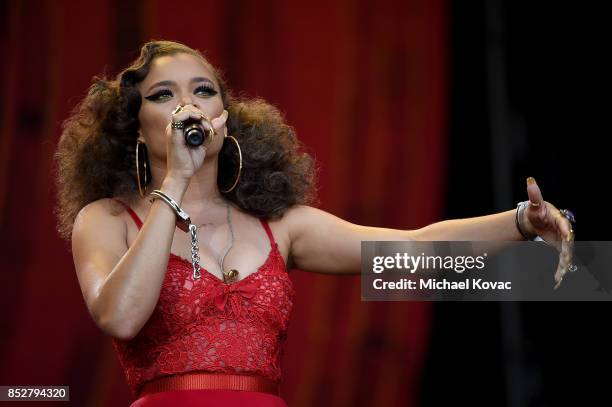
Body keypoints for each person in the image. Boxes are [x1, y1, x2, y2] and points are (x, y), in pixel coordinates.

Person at [54, 40, 575, 406]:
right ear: (137, 131)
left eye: (203, 90)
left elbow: (414, 249)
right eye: (163, 95)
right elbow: (120, 316)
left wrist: (520, 224)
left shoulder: (279, 227)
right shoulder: (106, 219)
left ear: (224, 118)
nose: (187, 103)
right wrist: (174, 185)